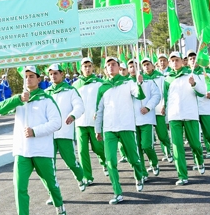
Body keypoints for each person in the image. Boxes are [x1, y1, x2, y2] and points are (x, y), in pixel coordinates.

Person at [0, 64, 64, 215]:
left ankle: (59, 203)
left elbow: (57, 122)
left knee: (50, 183)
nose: (28, 79)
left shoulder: (46, 100)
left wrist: (35, 131)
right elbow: (0, 109)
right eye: (26, 76)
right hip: (22, 151)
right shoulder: (20, 99)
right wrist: (18, 99)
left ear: (39, 79)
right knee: (19, 187)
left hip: (41, 150)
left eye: (32, 76)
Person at [94, 56, 148, 204]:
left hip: (126, 126)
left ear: (119, 67)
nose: (111, 67)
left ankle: (139, 175)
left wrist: (139, 83)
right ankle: (117, 192)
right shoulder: (102, 87)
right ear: (105, 70)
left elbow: (139, 95)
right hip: (109, 129)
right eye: (108, 65)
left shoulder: (128, 83)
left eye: (113, 64)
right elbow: (98, 111)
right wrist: (97, 129)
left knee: (133, 159)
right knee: (110, 161)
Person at [159, 52, 206, 185]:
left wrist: (194, 84)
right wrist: (167, 116)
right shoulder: (167, 78)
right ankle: (182, 176)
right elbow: (166, 98)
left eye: (177, 60)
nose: (175, 62)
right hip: (175, 116)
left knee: (195, 144)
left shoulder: (191, 74)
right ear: (169, 63)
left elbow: (202, 92)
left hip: (190, 114)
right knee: (177, 147)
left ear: (182, 61)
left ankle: (200, 160)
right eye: (172, 60)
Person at [44, 64, 86, 194]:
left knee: (71, 162)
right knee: (49, 167)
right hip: (49, 135)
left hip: (64, 133)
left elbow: (79, 106)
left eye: (56, 73)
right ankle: (53, 194)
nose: (53, 76)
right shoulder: (46, 93)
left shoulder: (70, 90)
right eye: (51, 74)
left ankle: (80, 178)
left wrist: (73, 115)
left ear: (62, 74)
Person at [72, 57, 107, 185]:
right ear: (81, 68)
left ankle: (104, 162)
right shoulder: (75, 85)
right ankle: (87, 176)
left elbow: (104, 101)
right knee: (82, 151)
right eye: (84, 66)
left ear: (93, 67)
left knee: (98, 148)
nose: (87, 68)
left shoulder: (99, 83)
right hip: (80, 123)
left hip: (94, 122)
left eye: (89, 66)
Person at [132, 57, 162, 176]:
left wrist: (148, 107)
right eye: (130, 66)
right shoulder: (127, 84)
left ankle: (154, 163)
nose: (132, 69)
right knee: (137, 148)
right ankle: (143, 172)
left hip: (146, 119)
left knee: (146, 145)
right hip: (132, 121)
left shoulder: (149, 82)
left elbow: (157, 96)